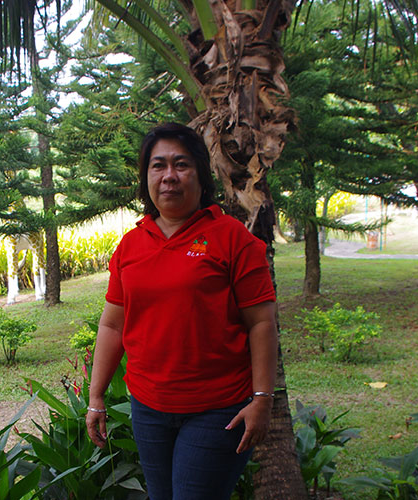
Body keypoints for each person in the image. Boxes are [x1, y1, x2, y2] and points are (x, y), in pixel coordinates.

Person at [85, 122, 278, 500]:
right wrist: (96, 397)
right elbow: (111, 325)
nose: (169, 176)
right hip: (149, 408)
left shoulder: (233, 239)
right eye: (158, 166)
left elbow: (262, 324)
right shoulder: (131, 245)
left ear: (200, 175)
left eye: (181, 165)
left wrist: (262, 399)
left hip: (219, 408)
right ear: (146, 178)